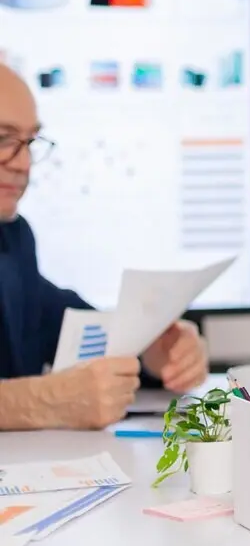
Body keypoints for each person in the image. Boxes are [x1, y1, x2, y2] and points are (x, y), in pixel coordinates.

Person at [0, 64, 209, 430]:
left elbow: (60, 322)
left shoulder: (12, 238)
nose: (24, 163)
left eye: (31, 142)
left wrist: (150, 348)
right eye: (4, 139)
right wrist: (39, 402)